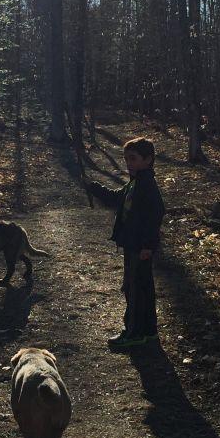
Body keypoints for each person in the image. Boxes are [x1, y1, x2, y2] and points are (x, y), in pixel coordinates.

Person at [87, 137, 164, 349]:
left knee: (135, 289)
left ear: (148, 160)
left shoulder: (146, 186)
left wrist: (148, 246)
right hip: (133, 245)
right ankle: (148, 331)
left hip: (139, 248)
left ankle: (134, 332)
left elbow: (155, 215)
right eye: (126, 159)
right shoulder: (135, 183)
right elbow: (115, 198)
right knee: (141, 288)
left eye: (133, 159)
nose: (128, 163)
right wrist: (94, 187)